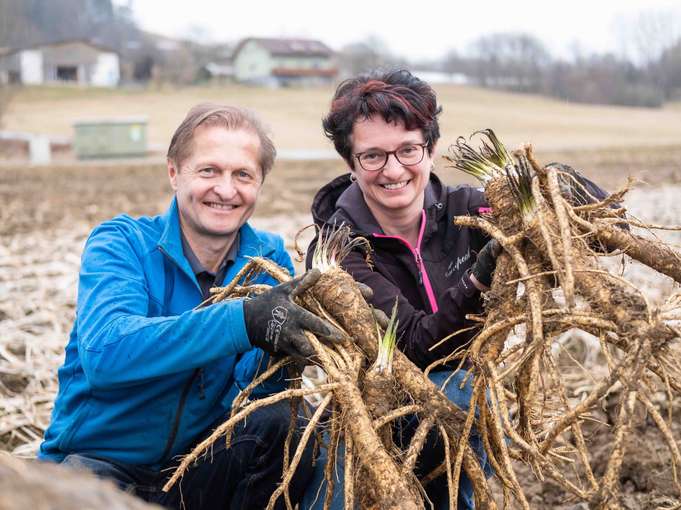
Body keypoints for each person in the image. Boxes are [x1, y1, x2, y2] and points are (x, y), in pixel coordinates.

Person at [302, 70, 610, 509]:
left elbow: (600, 234)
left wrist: (559, 191)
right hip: (371, 417)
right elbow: (415, 346)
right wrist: (478, 279)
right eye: (372, 156)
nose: (393, 170)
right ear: (351, 164)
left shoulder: (473, 209)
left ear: (430, 148)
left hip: (463, 415)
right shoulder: (338, 250)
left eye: (408, 149)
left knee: (466, 396)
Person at [38, 103, 343, 509]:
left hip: (192, 472)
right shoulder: (122, 243)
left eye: (243, 175)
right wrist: (242, 320)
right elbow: (106, 353)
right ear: (173, 173)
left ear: (259, 184)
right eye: (209, 171)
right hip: (98, 466)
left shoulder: (268, 259)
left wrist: (286, 355)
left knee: (287, 425)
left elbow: (258, 399)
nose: (226, 190)